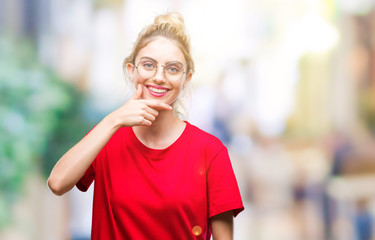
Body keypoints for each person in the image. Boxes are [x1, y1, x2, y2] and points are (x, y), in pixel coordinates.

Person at [48, 11, 244, 240]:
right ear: (132, 71)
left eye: (172, 68)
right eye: (149, 65)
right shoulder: (108, 135)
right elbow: (57, 183)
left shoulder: (210, 151)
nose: (159, 77)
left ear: (186, 79)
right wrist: (114, 119)